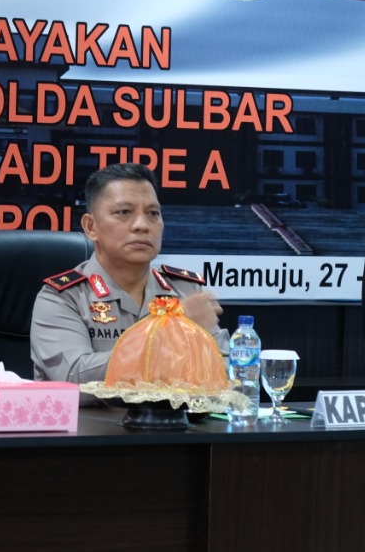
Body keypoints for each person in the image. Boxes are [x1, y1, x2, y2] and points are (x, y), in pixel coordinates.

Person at [31, 162, 227, 396]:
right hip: (95, 420)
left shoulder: (185, 290)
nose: (142, 225)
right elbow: (74, 380)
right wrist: (168, 337)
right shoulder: (62, 298)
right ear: (91, 227)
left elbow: (226, 372)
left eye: (152, 213)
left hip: (176, 419)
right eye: (124, 212)